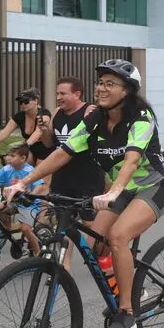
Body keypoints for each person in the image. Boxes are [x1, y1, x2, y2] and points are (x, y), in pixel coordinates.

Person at [4, 59, 164, 328]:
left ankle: (127, 312)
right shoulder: (94, 121)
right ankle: (131, 284)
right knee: (97, 245)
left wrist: (112, 192)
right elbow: (61, 153)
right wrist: (23, 182)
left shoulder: (141, 117)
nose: (101, 88)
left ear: (128, 90)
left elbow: (132, 160)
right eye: (100, 82)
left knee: (119, 236)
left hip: (155, 185)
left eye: (110, 84)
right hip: (122, 189)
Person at [39, 77, 105, 272]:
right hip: (62, 178)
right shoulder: (56, 113)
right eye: (57, 93)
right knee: (63, 223)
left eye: (63, 94)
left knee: (91, 224)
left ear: (77, 94)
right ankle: (64, 269)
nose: (58, 97)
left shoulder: (90, 111)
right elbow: (50, 143)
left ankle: (104, 263)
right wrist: (44, 130)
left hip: (87, 179)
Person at [0, 142, 48, 257]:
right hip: (14, 201)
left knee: (26, 229)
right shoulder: (7, 169)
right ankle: (7, 231)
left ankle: (38, 251)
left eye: (12, 156)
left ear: (23, 158)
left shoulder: (29, 170)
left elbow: (40, 185)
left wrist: (32, 195)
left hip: (29, 204)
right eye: (8, 155)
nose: (8, 158)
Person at [0, 88, 53, 164]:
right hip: (30, 148)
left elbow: (39, 131)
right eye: (20, 102)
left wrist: (24, 145)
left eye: (26, 101)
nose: (22, 104)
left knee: (39, 172)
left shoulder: (44, 114)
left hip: (45, 147)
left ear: (36, 101)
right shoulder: (19, 116)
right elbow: (5, 132)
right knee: (16, 164)